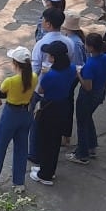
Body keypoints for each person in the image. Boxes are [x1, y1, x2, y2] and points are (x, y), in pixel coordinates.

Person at [0, 47, 37, 191]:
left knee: (0, 145)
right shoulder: (35, 77)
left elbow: (0, 94)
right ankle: (19, 182)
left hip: (11, 113)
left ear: (15, 63)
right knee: (22, 147)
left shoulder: (10, 81)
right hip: (26, 113)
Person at [29, 40, 74, 186]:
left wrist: (45, 74)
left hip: (49, 108)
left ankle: (45, 175)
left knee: (46, 140)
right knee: (54, 141)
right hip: (63, 106)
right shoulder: (71, 68)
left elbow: (41, 90)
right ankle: (48, 169)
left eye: (49, 54)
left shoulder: (51, 75)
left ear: (54, 57)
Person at [70, 33, 106, 163]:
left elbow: (87, 87)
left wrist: (78, 74)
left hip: (88, 96)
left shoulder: (90, 64)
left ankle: (82, 154)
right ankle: (92, 146)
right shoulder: (105, 57)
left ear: (91, 47)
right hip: (99, 92)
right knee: (88, 119)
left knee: (82, 123)